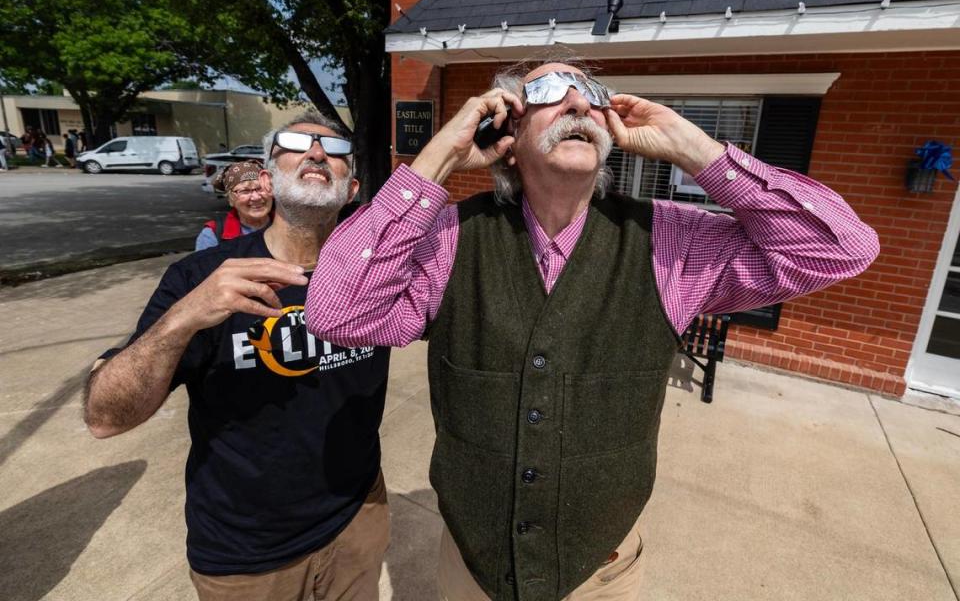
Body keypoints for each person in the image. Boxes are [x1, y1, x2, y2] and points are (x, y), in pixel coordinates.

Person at [305, 60, 880, 600]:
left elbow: (841, 249)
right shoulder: (452, 237)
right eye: (550, 92)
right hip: (471, 570)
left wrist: (698, 150)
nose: (578, 101)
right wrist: (438, 158)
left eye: (590, 93)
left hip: (600, 575)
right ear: (506, 133)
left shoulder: (670, 242)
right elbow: (338, 310)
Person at [84, 111, 392, 600]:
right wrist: (185, 317)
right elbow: (105, 417)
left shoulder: (379, 275)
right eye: (297, 143)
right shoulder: (200, 277)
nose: (316, 152)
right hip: (246, 552)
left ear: (351, 188)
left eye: (334, 150)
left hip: (357, 518)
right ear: (267, 179)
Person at [195, 160, 274, 251]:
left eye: (261, 188)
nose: (256, 197)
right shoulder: (212, 235)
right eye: (245, 191)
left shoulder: (288, 224)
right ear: (231, 199)